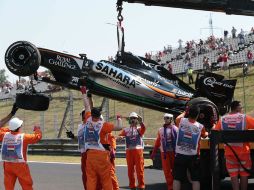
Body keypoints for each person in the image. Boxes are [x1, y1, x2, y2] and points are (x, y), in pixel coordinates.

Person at [80, 86, 123, 190]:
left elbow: (86, 106)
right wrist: (119, 119)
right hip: (102, 156)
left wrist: (84, 93)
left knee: (91, 179)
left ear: (91, 115)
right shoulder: (103, 125)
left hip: (90, 155)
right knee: (106, 179)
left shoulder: (87, 120)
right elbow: (119, 127)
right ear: (99, 116)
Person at [213, 101, 254, 190]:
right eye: (241, 108)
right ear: (238, 108)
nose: (242, 110)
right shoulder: (244, 118)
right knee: (244, 174)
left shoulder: (222, 119)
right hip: (244, 153)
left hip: (229, 153)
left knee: (233, 175)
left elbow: (215, 131)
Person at [0, 117, 42, 190]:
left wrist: (10, 128)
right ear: (19, 127)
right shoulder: (24, 137)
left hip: (8, 165)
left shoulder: (4, 135)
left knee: (8, 185)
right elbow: (37, 137)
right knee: (26, 184)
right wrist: (37, 129)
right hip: (20, 165)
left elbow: (1, 129)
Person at [173, 105, 208, 190]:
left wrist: (185, 111)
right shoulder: (200, 126)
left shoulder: (180, 121)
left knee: (177, 178)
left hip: (180, 154)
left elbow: (178, 117)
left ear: (188, 113)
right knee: (195, 179)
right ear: (197, 115)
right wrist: (206, 133)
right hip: (193, 156)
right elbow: (205, 135)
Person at [118, 112, 146, 190]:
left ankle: (141, 186)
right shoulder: (126, 130)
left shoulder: (139, 128)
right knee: (130, 171)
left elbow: (143, 129)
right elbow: (120, 137)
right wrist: (120, 138)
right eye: (131, 118)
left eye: (134, 118)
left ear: (137, 120)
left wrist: (141, 122)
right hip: (129, 151)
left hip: (138, 151)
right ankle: (132, 186)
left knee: (139, 169)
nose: (133, 120)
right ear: (129, 120)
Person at [151, 113, 178, 190]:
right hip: (164, 153)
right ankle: (170, 187)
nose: (166, 119)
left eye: (167, 118)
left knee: (176, 170)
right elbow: (157, 142)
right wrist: (153, 153)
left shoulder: (176, 129)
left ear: (171, 119)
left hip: (174, 152)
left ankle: (176, 185)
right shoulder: (160, 130)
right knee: (167, 171)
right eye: (165, 118)